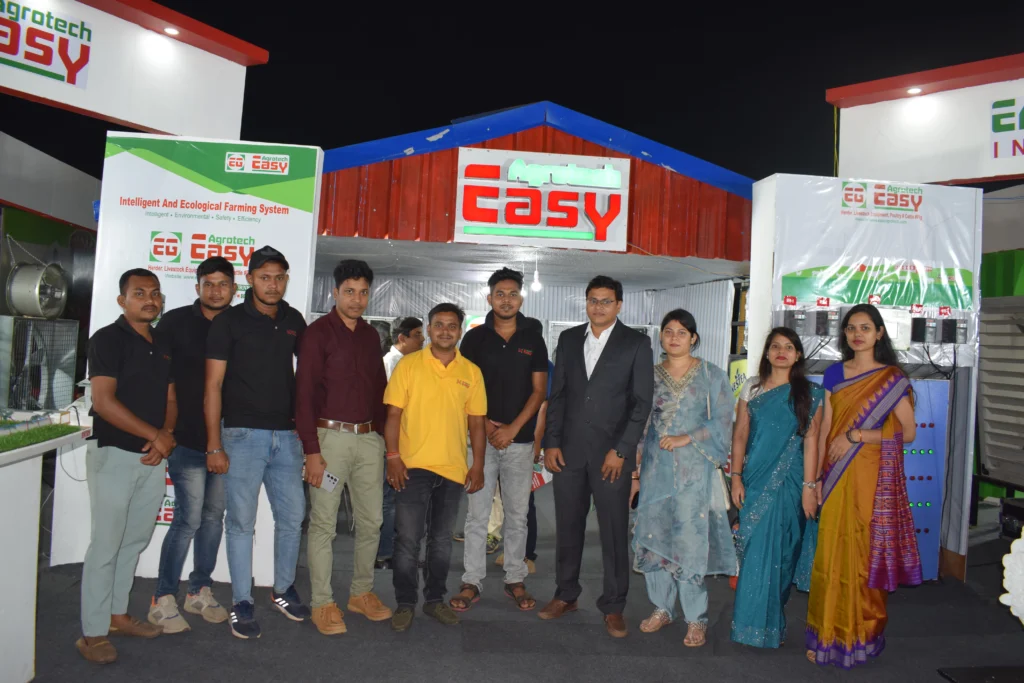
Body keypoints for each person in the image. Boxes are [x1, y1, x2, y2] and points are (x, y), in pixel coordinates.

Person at [806, 304, 920, 668]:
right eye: (851, 328)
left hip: (872, 477)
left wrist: (857, 435)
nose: (858, 334)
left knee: (863, 553)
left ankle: (863, 635)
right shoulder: (834, 373)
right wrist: (817, 478)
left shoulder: (892, 379)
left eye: (865, 328)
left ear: (879, 333)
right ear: (844, 334)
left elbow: (908, 433)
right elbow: (826, 428)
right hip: (835, 474)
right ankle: (828, 635)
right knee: (831, 555)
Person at [539, 275, 654, 639]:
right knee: (567, 527)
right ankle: (566, 594)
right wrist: (551, 443)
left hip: (612, 457)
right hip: (569, 453)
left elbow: (641, 403)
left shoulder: (636, 343)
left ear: (619, 305)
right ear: (586, 302)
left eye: (606, 301)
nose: (599, 307)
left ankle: (614, 605)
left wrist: (622, 450)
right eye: (593, 300)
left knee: (614, 531)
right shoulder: (569, 339)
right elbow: (558, 396)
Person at [204, 245, 309, 640]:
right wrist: (214, 444)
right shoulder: (228, 322)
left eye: (279, 277)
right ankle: (242, 601)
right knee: (241, 524)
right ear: (249, 279)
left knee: (293, 518)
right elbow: (212, 386)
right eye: (265, 277)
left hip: (287, 436)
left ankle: (282, 589)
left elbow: (309, 376)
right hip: (242, 435)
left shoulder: (294, 319)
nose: (273, 284)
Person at [77, 269, 176, 664]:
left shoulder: (163, 343)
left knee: (133, 541)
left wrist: (165, 436)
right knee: (106, 545)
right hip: (114, 454)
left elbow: (171, 398)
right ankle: (92, 633)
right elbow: (103, 402)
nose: (149, 300)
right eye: (139, 293)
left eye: (155, 293)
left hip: (152, 457)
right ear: (122, 301)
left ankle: (117, 614)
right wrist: (156, 435)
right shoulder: (106, 339)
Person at [295, 259, 393, 635]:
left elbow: (380, 389)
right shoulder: (317, 334)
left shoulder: (370, 336)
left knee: (372, 521)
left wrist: (385, 442)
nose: (356, 299)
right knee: (323, 524)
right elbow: (304, 395)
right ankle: (322, 602)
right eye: (349, 292)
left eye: (363, 292)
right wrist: (311, 452)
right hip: (329, 440)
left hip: (369, 440)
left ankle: (360, 593)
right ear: (335, 292)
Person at [631, 309, 735, 647]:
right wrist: (635, 470)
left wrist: (686, 438)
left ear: (693, 338)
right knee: (654, 534)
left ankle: (695, 618)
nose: (674, 337)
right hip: (654, 470)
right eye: (668, 331)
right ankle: (662, 607)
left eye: (681, 332)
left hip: (693, 471)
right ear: (660, 337)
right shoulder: (648, 376)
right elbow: (640, 424)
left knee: (690, 540)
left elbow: (723, 421)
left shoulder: (711, 374)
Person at [384, 303, 487, 631]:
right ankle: (404, 603)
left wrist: (478, 465)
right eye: (439, 324)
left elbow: (477, 424)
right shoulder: (408, 365)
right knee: (408, 539)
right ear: (428, 329)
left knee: (441, 540)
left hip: (453, 470)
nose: (445, 331)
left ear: (460, 331)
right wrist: (393, 457)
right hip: (411, 467)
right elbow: (393, 415)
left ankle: (434, 600)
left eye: (452, 325)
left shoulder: (471, 372)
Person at [450, 268, 548, 613]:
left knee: (518, 515)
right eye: (500, 294)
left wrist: (512, 429)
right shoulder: (474, 339)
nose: (507, 300)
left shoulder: (533, 338)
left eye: (513, 294)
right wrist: (488, 425)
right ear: (489, 298)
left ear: (521, 298)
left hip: (519, 442)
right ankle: (471, 581)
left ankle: (515, 579)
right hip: (480, 439)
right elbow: (464, 387)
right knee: (476, 515)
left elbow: (539, 392)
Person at [148, 258, 236, 633]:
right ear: (197, 286)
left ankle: (199, 590)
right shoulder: (174, 322)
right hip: (184, 436)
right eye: (208, 284)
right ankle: (162, 597)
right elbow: (157, 377)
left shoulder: (241, 323)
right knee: (188, 519)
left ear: (234, 288)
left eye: (223, 284)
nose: (216, 291)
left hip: (229, 440)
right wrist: (161, 429)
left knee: (214, 517)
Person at [729, 328, 824, 648]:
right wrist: (736, 477)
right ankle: (751, 626)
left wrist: (809, 487)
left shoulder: (810, 393)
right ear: (767, 353)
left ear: (798, 355)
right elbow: (740, 435)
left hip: (793, 482)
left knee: (785, 552)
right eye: (775, 346)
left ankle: (773, 619)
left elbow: (811, 442)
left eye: (788, 347)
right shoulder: (752, 388)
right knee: (756, 551)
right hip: (755, 479)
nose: (781, 352)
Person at [378, 316, 424, 569]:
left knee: (403, 499)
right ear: (402, 338)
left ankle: (400, 553)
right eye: (417, 335)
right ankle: (386, 553)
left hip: (409, 440)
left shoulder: (412, 363)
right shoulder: (392, 363)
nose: (422, 340)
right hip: (393, 441)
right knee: (391, 499)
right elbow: (390, 408)